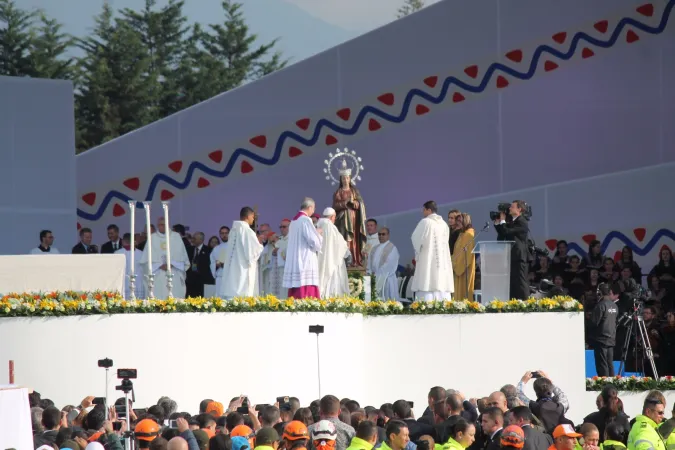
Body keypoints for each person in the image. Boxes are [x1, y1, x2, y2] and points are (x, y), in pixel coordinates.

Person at [216, 207, 264, 299]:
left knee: (233, 292)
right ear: (248, 216)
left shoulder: (233, 230)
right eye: (253, 217)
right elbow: (252, 254)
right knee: (242, 294)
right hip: (243, 268)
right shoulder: (247, 231)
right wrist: (259, 244)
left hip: (233, 267)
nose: (253, 219)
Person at [411, 201, 454, 301]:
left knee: (427, 281)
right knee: (440, 282)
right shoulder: (444, 224)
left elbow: (415, 239)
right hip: (441, 263)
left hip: (428, 261)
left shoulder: (425, 222)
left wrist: (417, 253)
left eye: (424, 210)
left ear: (429, 210)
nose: (423, 212)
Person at [140, 217, 190, 299]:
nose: (161, 227)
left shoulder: (176, 237)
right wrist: (159, 265)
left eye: (163, 225)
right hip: (157, 274)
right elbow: (146, 260)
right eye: (159, 225)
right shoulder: (152, 238)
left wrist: (172, 264)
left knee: (174, 296)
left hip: (173, 272)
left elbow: (182, 258)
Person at [283, 197, 323, 299]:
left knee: (297, 284)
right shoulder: (305, 220)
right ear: (309, 207)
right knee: (306, 283)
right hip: (305, 258)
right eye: (313, 209)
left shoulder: (293, 221)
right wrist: (318, 233)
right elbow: (313, 241)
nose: (313, 211)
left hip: (295, 258)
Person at [332, 159, 368, 267]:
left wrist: (356, 203)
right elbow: (335, 206)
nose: (345, 180)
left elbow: (361, 203)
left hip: (354, 219)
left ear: (350, 178)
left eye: (347, 178)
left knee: (355, 240)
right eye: (343, 178)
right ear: (341, 179)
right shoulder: (338, 192)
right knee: (345, 240)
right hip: (343, 221)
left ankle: (356, 259)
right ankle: (347, 261)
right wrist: (345, 203)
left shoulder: (354, 191)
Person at [494, 200, 531, 300]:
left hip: (519, 256)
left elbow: (507, 231)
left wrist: (502, 221)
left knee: (521, 280)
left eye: (512, 207)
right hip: (511, 255)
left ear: (519, 209)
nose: (509, 208)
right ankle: (514, 301)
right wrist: (498, 224)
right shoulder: (513, 221)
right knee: (512, 281)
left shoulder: (522, 221)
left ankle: (526, 302)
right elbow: (503, 233)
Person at [316, 208, 350, 298]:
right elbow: (339, 243)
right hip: (333, 258)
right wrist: (346, 246)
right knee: (333, 278)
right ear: (332, 217)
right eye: (334, 217)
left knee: (322, 276)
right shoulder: (331, 226)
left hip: (321, 258)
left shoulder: (318, 225)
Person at [589, 283, 619, 377]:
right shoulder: (614, 306)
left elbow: (594, 323)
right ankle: (612, 383)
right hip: (611, 338)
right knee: (610, 363)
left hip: (600, 339)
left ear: (599, 293)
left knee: (602, 364)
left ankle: (605, 386)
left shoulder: (600, 305)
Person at [367, 227, 400, 301]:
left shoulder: (392, 248)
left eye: (383, 234)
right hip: (374, 278)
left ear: (388, 235)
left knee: (388, 301)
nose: (381, 236)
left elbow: (389, 265)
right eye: (379, 234)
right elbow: (369, 263)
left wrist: (376, 274)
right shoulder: (374, 248)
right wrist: (370, 272)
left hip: (387, 278)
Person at [451, 213, 475, 301]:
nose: (458, 223)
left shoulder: (468, 235)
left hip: (464, 269)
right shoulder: (462, 234)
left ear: (465, 221)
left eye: (460, 221)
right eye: (457, 221)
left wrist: (455, 264)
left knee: (464, 293)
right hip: (458, 267)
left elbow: (466, 255)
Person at [115, 233, 146, 299]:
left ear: (123, 241)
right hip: (138, 284)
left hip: (123, 284)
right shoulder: (141, 253)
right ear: (134, 241)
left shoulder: (118, 253)